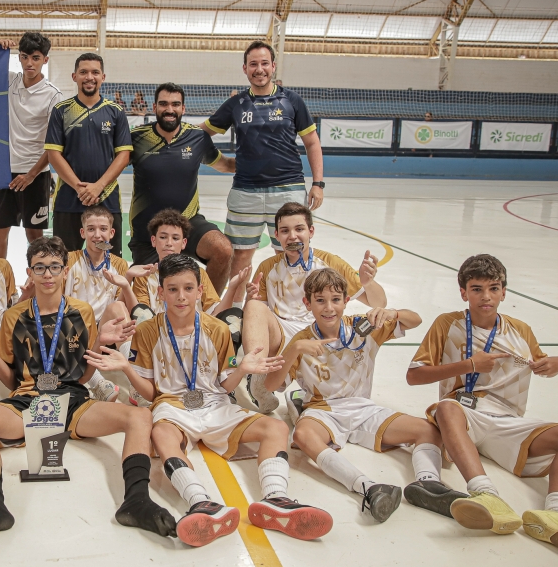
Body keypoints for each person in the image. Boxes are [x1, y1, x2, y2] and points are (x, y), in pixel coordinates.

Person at [88, 254, 332, 545]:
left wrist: (242, 370)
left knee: (276, 427)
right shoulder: (147, 330)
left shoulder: (218, 329)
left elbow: (224, 386)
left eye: (188, 288)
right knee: (162, 434)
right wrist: (127, 369)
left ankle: (276, 499)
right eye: (173, 289)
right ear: (161, 292)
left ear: (200, 291)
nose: (181, 296)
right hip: (172, 406)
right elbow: (152, 393)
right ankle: (200, 502)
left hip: (215, 404)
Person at [0, 236, 176, 539]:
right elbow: (12, 381)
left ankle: (137, 501)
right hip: (29, 400)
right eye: (39, 267)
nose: (48, 274)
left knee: (140, 416)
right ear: (29, 272)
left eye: (55, 266)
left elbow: (82, 377)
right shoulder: (15, 316)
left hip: (73, 401)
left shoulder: (81, 312)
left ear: (65, 271)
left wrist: (100, 341)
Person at [406, 254, 558, 562]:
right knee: (447, 408)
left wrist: (555, 364)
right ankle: (485, 494)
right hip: (465, 415)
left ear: (504, 292)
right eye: (476, 289)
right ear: (463, 292)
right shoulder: (447, 324)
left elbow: (543, 362)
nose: (485, 297)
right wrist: (469, 365)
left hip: (508, 420)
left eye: (493, 288)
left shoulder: (521, 330)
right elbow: (414, 376)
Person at [268, 268, 459, 524]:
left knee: (428, 430)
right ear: (307, 303)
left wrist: (394, 313)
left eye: (336, 300)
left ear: (346, 301)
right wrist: (294, 350)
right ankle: (368, 487)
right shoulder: (302, 341)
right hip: (323, 411)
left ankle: (429, 484)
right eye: (320, 300)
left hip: (363, 408)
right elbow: (271, 385)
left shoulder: (363, 327)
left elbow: (416, 320)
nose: (329, 308)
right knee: (302, 435)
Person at [241, 202, 386, 415]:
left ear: (311, 231)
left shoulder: (330, 262)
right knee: (253, 306)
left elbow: (379, 303)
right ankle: (258, 376)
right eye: (285, 231)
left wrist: (368, 282)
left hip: (320, 331)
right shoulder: (268, 267)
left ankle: (311, 394)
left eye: (299, 229)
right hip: (283, 332)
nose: (292, 236)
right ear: (277, 235)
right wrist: (249, 299)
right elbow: (256, 320)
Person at [205, 42, 325, 277]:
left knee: (291, 252)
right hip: (245, 192)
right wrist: (219, 162)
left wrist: (318, 184)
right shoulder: (236, 104)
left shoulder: (292, 100)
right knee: (240, 254)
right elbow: (201, 134)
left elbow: (312, 142)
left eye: (264, 63)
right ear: (245, 68)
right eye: (253, 64)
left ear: (273, 66)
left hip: (288, 189)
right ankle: (236, 300)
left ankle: (290, 298)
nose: (259, 69)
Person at [129, 82, 235, 289]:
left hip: (188, 221)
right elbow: (112, 165)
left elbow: (225, 165)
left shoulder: (197, 137)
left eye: (175, 104)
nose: (169, 109)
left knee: (222, 250)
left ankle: (207, 305)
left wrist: (260, 162)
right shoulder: (137, 137)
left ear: (183, 108)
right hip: (148, 229)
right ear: (154, 107)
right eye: (164, 104)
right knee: (151, 293)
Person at [45, 53, 132, 254]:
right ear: (74, 76)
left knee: (108, 261)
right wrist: (79, 187)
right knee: (65, 261)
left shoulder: (116, 112)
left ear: (103, 77)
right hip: (68, 200)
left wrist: (98, 186)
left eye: (95, 72)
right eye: (83, 72)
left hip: (106, 199)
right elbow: (53, 154)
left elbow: (123, 156)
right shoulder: (61, 110)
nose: (89, 77)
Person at [0, 34, 62, 258]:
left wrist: (31, 175)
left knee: (35, 236)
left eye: (36, 58)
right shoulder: (10, 81)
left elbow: (54, 144)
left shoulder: (53, 95)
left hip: (36, 175)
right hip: (6, 173)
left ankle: (41, 277)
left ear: (45, 60)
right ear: (19, 58)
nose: (29, 63)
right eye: (24, 57)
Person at [62, 205, 138, 402]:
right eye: (91, 229)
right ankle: (98, 384)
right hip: (74, 329)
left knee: (118, 308)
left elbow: (124, 310)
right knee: (69, 316)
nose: (97, 235)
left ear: (111, 233)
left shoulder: (120, 264)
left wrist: (127, 282)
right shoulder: (68, 260)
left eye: (103, 229)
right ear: (83, 232)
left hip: (106, 329)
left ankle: (136, 380)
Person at [128, 210, 237, 317]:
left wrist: (232, 288)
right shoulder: (144, 276)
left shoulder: (199, 273)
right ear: (153, 240)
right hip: (157, 328)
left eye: (175, 238)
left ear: (184, 243)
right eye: (163, 237)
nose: (169, 243)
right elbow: (141, 316)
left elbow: (215, 313)